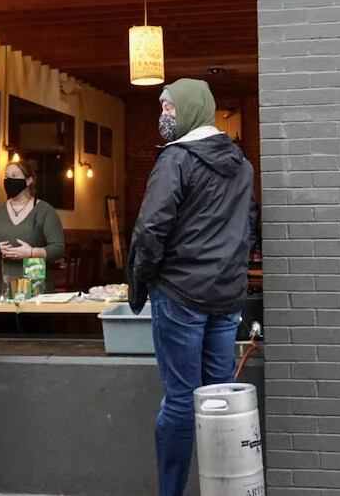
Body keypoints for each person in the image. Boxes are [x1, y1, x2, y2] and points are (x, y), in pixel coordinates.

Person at [128, 78, 258, 496]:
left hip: (180, 295)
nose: (163, 115)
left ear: (190, 110)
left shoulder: (176, 160)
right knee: (219, 398)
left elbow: (150, 230)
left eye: (169, 108)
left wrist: (143, 281)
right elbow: (250, 228)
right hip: (226, 296)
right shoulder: (241, 165)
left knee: (182, 400)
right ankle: (225, 488)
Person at [0, 159, 65, 285]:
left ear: (29, 180)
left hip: (33, 284)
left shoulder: (44, 211)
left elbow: (58, 248)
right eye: (7, 177)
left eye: (14, 176)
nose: (9, 180)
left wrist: (31, 252)